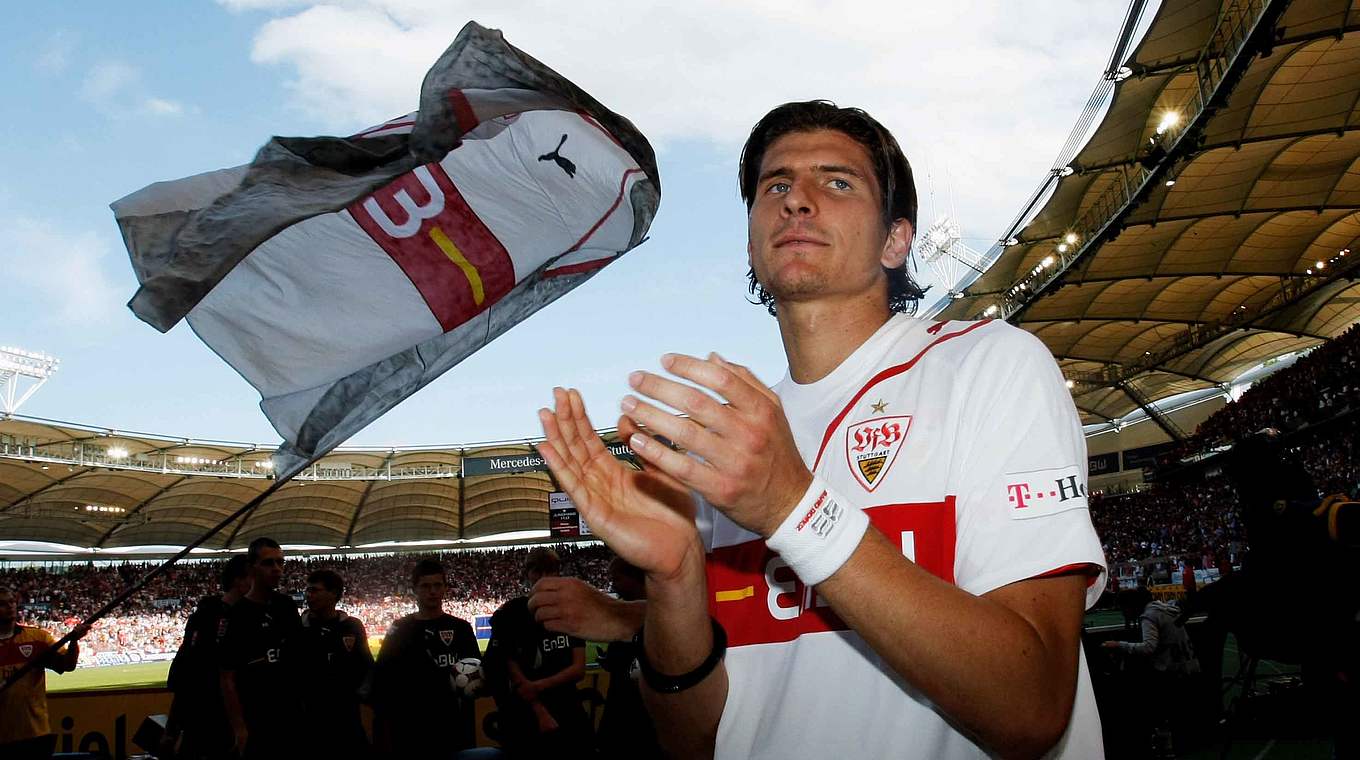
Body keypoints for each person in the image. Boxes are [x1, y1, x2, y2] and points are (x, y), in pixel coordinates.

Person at [534, 100, 1108, 759]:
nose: (796, 201)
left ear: (897, 239)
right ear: (752, 237)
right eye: (775, 185)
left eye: (837, 182)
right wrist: (676, 581)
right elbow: (692, 741)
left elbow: (1031, 708)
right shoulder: (727, 447)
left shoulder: (987, 365)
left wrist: (792, 508)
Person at [485, 548, 591, 758]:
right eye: (537, 572)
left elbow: (579, 669)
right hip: (526, 716)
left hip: (568, 711)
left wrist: (539, 685)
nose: (544, 579)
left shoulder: (571, 612)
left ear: (558, 574)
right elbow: (509, 668)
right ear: (527, 575)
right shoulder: (511, 614)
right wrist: (540, 711)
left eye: (550, 571)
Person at [370, 558, 480, 758]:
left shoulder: (461, 628)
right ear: (414, 589)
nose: (432, 591)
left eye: (438, 585)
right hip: (412, 726)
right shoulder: (400, 629)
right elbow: (382, 677)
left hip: (453, 724)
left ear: (445, 588)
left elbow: (476, 671)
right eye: (426, 586)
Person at [218, 537, 301, 759]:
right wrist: (239, 728)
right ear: (251, 567)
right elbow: (227, 677)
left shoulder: (287, 607)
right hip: (257, 720)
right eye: (268, 563)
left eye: (280, 563)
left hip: (291, 717)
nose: (277, 569)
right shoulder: (237, 615)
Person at [162, 554, 251, 760]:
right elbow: (188, 673)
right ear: (239, 580)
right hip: (208, 720)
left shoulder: (249, 614)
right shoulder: (207, 616)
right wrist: (172, 728)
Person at [0, 586, 90, 760]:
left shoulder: (37, 638)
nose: (10, 606)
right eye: (2, 604)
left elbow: (67, 665)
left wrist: (73, 642)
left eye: (11, 602)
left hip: (35, 733)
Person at [293, 569, 373, 759]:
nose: (308, 596)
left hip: (348, 720)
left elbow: (368, 666)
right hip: (309, 722)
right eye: (308, 590)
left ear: (333, 593)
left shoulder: (352, 626)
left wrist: (362, 700)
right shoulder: (297, 628)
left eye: (315, 590)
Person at [594, 557, 660, 760]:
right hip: (626, 716)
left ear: (635, 578)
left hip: (635, 720)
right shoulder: (655, 612)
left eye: (617, 579)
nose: (613, 585)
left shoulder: (657, 617)